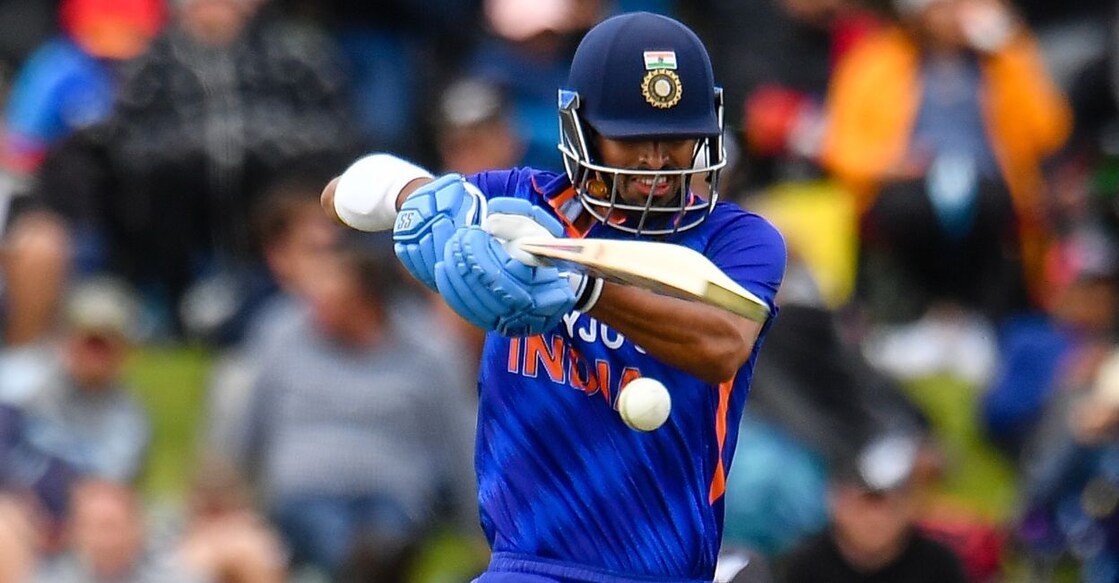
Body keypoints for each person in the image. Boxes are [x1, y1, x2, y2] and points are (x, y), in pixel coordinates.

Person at [321, 11, 787, 581]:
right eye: (634, 139)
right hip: (530, 563)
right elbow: (338, 193)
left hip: (661, 569)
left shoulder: (739, 239)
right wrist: (425, 197)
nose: (657, 160)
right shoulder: (522, 199)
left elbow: (721, 345)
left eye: (676, 137)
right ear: (582, 129)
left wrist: (579, 286)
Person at [781, 434, 970, 583]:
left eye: (890, 504)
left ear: (911, 506)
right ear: (836, 500)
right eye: (864, 502)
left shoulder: (939, 565)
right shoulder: (807, 564)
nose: (875, 518)